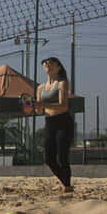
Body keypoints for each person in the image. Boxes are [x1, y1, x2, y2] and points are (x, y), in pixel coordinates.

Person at [34, 57, 74, 193]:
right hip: (49, 122)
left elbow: (63, 106)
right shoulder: (40, 87)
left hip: (63, 121)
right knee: (49, 159)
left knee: (62, 156)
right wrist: (33, 107)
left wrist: (42, 104)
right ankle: (65, 182)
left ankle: (67, 185)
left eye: (51, 64)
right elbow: (39, 110)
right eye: (46, 65)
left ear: (58, 67)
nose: (48, 67)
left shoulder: (62, 83)